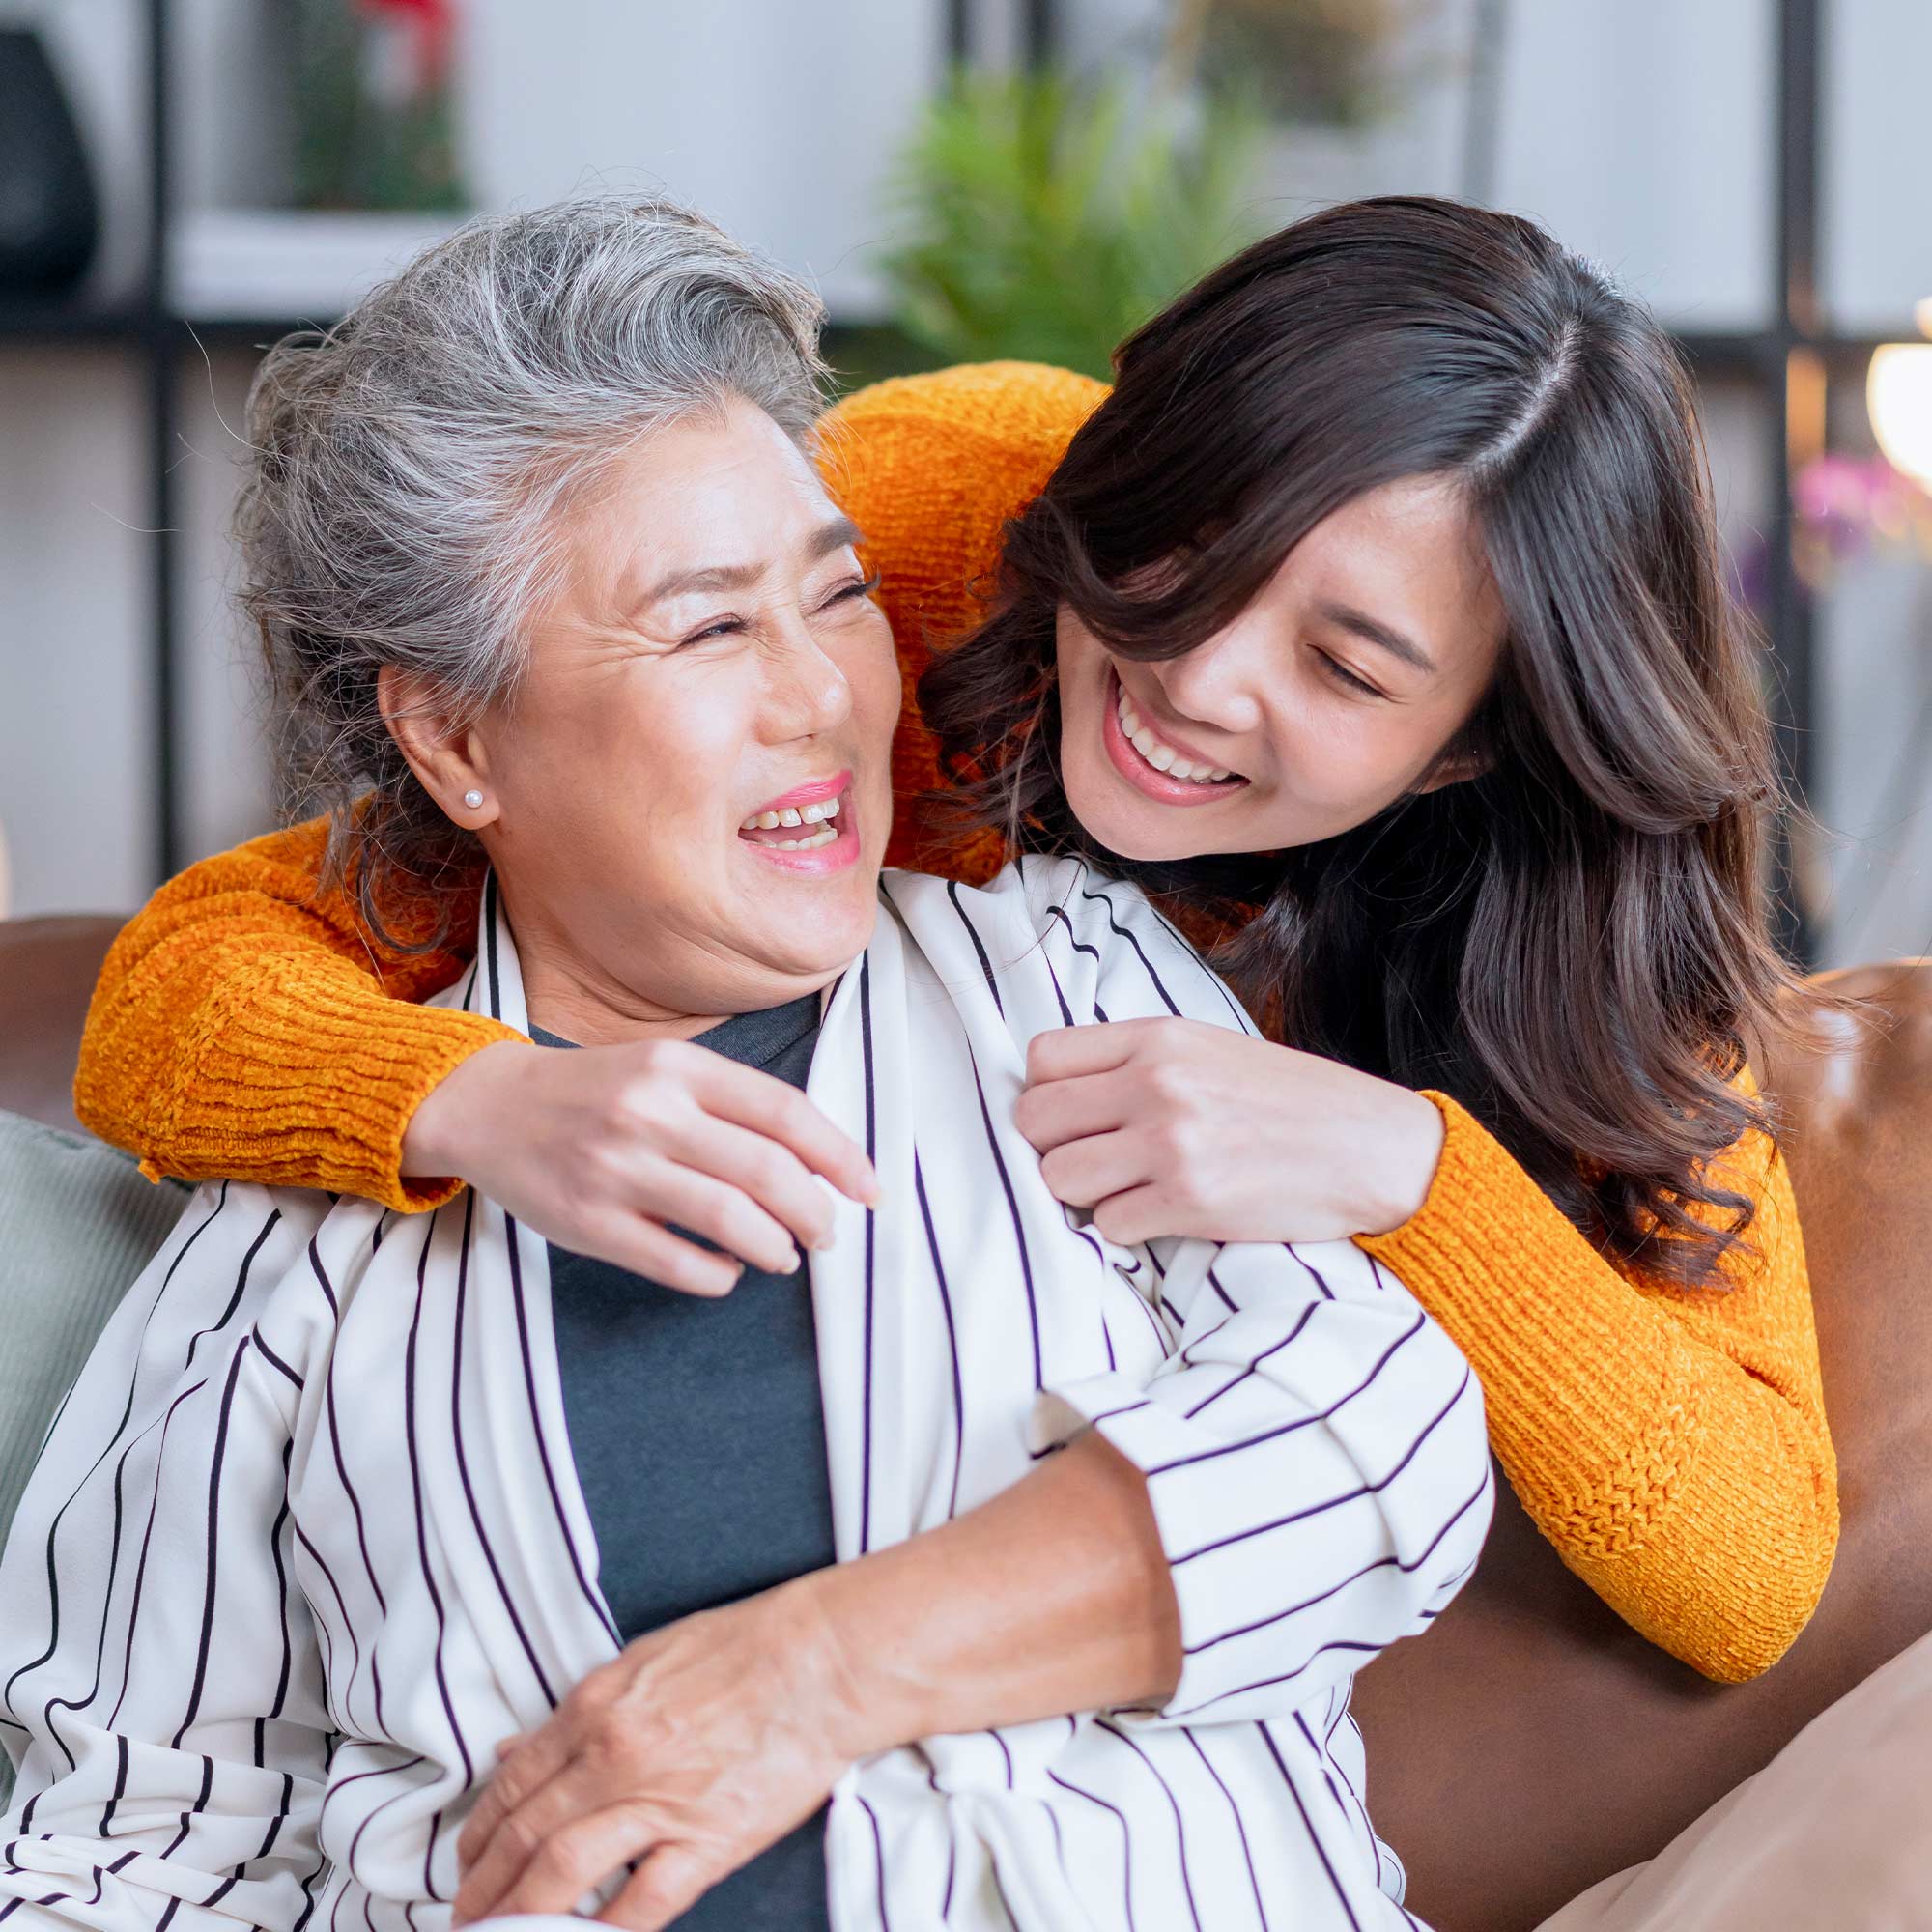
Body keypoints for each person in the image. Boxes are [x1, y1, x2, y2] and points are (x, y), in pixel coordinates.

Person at [71, 195, 1835, 1693]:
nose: (1199, 679)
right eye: (1192, 551)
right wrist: (478, 1099)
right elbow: (191, 972)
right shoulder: (910, 559)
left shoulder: (1599, 946)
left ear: (1468, 741)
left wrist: (1414, 1173)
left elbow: (1751, 1576)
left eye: (1346, 669)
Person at [0, 196, 1491, 1932]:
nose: (826, 698)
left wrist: (807, 1677)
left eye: (838, 595)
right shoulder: (298, 1244)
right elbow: (135, 1839)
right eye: (711, 630)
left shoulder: (1063, 990)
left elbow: (1381, 1453)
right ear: (458, 736)